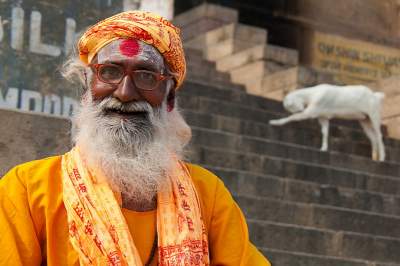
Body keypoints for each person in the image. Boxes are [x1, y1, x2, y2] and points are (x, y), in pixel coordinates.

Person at [0, 10, 271, 266]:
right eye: (109, 72)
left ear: (169, 98)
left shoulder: (207, 195)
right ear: (87, 89)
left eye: (145, 76)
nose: (125, 92)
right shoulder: (27, 188)